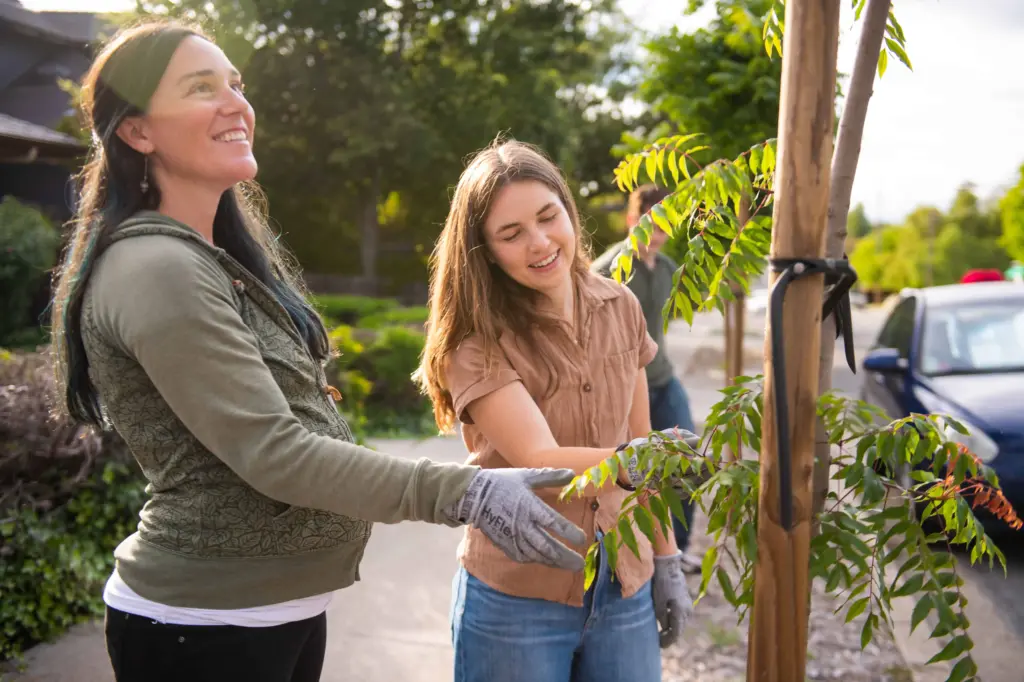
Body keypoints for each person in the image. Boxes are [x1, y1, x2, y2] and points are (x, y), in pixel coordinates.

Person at [48, 22, 587, 682]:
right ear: (138, 132)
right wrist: (466, 492)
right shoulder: (156, 268)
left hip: (271, 616)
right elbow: (273, 454)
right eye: (200, 88)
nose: (235, 104)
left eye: (235, 85)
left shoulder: (211, 259)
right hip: (205, 630)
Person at [415, 139, 696, 682]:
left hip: (624, 584)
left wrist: (666, 560)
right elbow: (541, 462)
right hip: (518, 599)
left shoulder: (621, 306)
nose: (540, 243)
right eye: (511, 233)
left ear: (569, 211)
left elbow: (644, 441)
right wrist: (642, 459)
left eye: (549, 217)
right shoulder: (475, 341)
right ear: (484, 250)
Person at [591, 184, 702, 574]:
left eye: (664, 223)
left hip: (663, 379)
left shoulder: (670, 270)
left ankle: (677, 551)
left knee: (687, 461)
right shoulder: (608, 269)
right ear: (631, 220)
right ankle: (633, 551)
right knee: (634, 471)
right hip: (621, 390)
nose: (657, 232)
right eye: (649, 221)